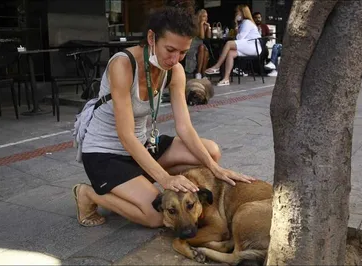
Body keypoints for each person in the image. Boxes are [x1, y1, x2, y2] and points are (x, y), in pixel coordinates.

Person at [72, 6, 253, 228]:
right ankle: (90, 194)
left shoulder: (174, 71)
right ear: (151, 38)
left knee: (211, 152)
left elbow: (184, 127)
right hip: (106, 153)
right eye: (170, 49)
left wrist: (216, 169)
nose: (175, 59)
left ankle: (135, 187)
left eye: (183, 52)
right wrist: (165, 179)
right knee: (157, 217)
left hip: (143, 146)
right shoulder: (123, 65)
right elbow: (126, 136)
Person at [205, 5, 262, 86]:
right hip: (249, 45)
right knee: (230, 53)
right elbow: (239, 37)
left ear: (242, 13)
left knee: (228, 44)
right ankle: (226, 79)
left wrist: (235, 24)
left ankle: (217, 66)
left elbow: (239, 38)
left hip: (253, 46)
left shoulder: (247, 22)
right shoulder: (244, 23)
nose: (236, 14)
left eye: (237, 12)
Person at [185, 9, 211, 79]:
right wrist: (201, 25)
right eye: (204, 16)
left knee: (205, 50)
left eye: (206, 16)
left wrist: (208, 27)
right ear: (199, 17)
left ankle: (201, 73)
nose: (206, 18)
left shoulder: (205, 25)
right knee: (203, 48)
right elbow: (202, 37)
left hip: (200, 46)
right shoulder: (195, 25)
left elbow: (208, 37)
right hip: (192, 46)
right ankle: (199, 73)